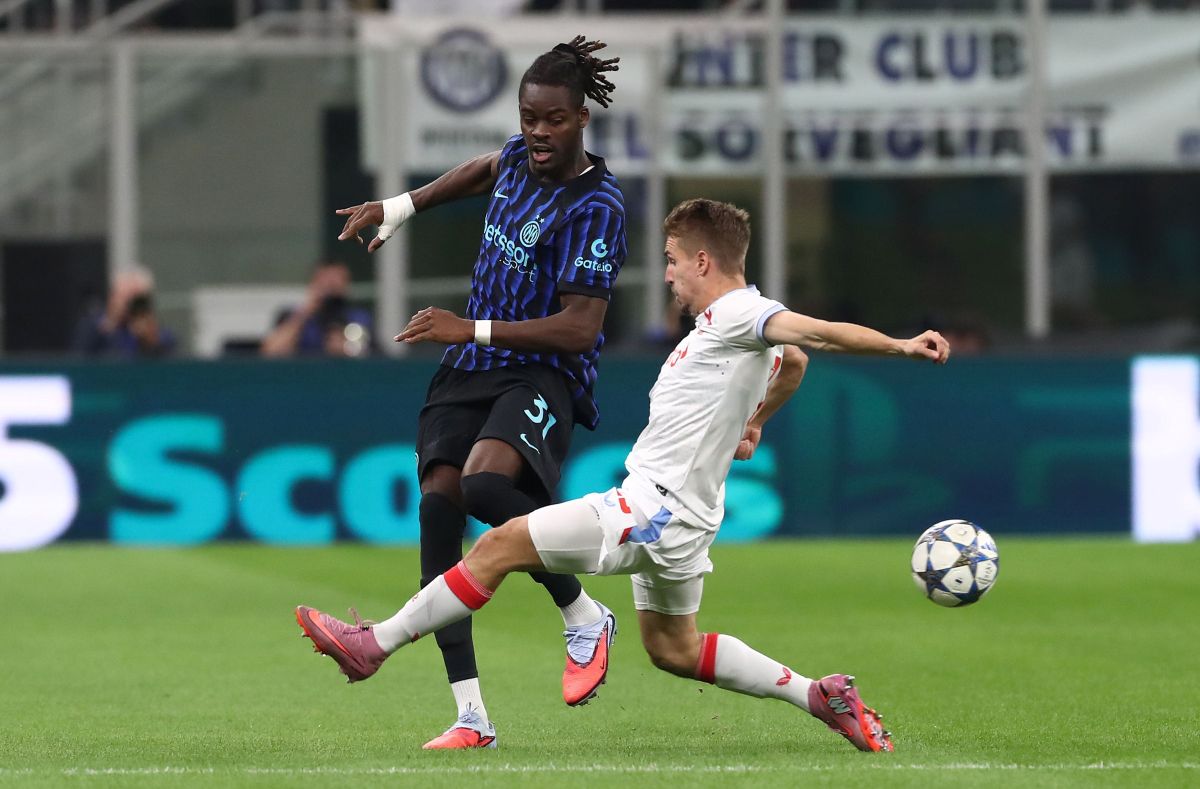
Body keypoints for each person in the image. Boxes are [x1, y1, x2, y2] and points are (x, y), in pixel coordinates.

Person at [296, 198, 950, 753]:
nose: (666, 275)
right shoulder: (728, 330)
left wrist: (898, 344)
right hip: (688, 522)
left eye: (671, 260)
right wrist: (755, 424)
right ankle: (821, 694)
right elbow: (795, 361)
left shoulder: (736, 314)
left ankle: (373, 644)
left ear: (702, 260)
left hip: (653, 511)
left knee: (497, 544)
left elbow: (817, 334)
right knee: (674, 649)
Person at [324, 36, 626, 749]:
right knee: (438, 506)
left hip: (540, 370)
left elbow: (580, 329)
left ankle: (584, 613)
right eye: (528, 117)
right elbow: (484, 168)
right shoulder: (520, 157)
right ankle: (470, 714)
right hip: (468, 364)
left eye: (553, 119)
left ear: (581, 118)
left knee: (489, 488)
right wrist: (403, 205)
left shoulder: (598, 205)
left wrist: (471, 325)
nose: (538, 132)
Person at [260, 260, 374, 358]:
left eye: (337, 281)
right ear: (313, 283)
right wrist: (305, 311)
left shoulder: (359, 317)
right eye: (326, 281)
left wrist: (346, 348)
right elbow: (271, 352)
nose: (331, 287)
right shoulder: (293, 316)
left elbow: (374, 355)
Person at [72, 266, 177, 358]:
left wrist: (150, 340)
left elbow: (168, 364)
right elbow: (80, 359)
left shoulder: (159, 333)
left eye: (136, 298)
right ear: (113, 297)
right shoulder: (93, 327)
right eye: (126, 297)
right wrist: (110, 325)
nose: (130, 305)